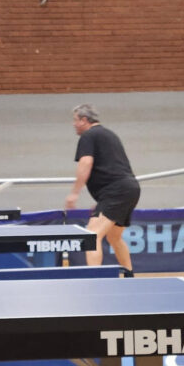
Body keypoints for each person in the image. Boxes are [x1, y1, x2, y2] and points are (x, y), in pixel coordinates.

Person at [64, 104, 141, 275]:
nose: (73, 124)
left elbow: (86, 163)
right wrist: (102, 202)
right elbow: (111, 167)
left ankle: (95, 281)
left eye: (75, 120)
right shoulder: (109, 134)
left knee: (92, 235)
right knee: (114, 237)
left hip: (117, 191)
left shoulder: (88, 135)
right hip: (130, 188)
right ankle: (129, 275)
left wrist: (74, 193)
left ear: (84, 120)